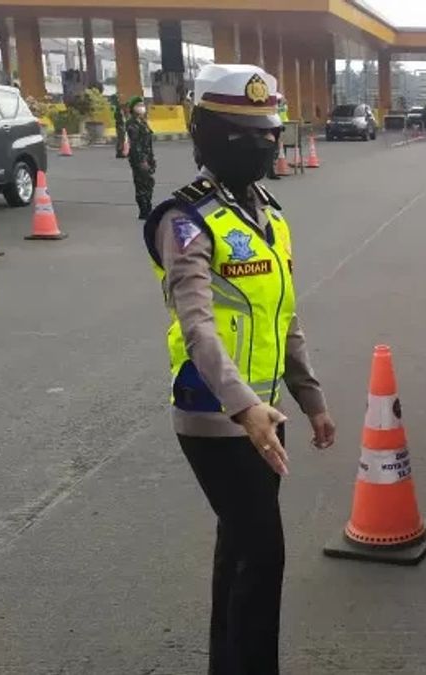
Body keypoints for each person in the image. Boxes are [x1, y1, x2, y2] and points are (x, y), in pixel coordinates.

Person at [140, 63, 336, 675]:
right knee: (264, 553)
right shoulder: (185, 220)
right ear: (208, 134)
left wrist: (311, 399)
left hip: (265, 411)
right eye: (246, 132)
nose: (264, 144)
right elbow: (198, 328)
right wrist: (245, 408)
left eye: (269, 132)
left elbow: (284, 316)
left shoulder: (268, 215)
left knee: (240, 551)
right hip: (213, 412)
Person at [126, 96, 156, 220]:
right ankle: (144, 211)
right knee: (141, 185)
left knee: (149, 183)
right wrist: (142, 161)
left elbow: (148, 142)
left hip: (147, 157)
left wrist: (151, 159)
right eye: (138, 105)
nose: (141, 107)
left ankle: (148, 207)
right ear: (133, 108)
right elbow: (135, 145)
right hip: (139, 159)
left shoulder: (142, 122)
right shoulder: (132, 124)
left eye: (142, 105)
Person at [110, 94, 127, 159]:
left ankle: (121, 151)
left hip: (120, 125)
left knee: (122, 139)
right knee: (121, 139)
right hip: (120, 125)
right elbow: (118, 118)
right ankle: (119, 152)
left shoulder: (119, 108)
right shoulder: (117, 109)